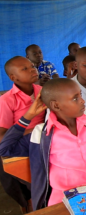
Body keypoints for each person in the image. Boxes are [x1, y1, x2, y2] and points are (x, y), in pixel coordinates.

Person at [0, 78, 86, 210]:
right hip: (66, 199)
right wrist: (28, 115)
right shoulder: (42, 135)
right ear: (56, 105)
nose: (82, 101)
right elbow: (5, 149)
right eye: (75, 98)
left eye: (80, 94)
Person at [0, 56, 45, 211]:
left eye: (32, 66)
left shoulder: (41, 91)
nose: (32, 69)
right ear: (13, 77)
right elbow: (2, 135)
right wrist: (34, 130)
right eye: (25, 68)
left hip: (43, 140)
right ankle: (29, 201)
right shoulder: (7, 100)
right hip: (20, 144)